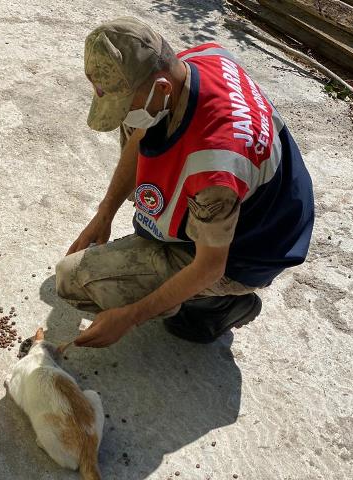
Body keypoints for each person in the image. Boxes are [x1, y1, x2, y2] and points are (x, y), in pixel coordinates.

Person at [55, 17, 314, 348]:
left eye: (124, 105)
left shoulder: (214, 171)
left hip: (247, 251)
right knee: (136, 124)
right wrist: (104, 212)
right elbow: (142, 134)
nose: (122, 115)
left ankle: (217, 305)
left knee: (72, 279)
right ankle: (165, 239)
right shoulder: (197, 60)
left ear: (162, 87)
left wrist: (130, 315)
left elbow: (210, 267)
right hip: (258, 199)